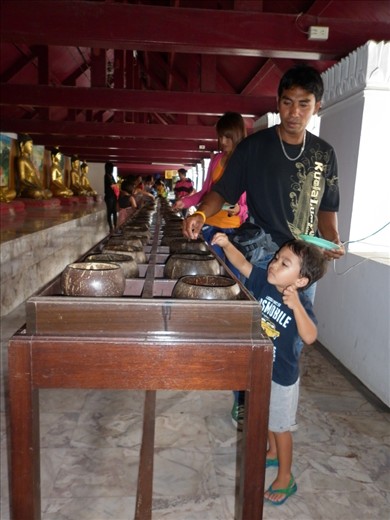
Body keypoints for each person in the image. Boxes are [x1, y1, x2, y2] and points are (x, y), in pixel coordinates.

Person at [182, 66, 345, 427]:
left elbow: (327, 209)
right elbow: (221, 193)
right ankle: (245, 401)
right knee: (253, 331)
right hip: (260, 257)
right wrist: (200, 215)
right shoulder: (253, 148)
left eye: (304, 104)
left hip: (302, 264)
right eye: (287, 103)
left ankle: (278, 415)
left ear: (317, 107)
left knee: (290, 340)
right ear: (278, 103)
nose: (294, 113)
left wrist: (331, 239)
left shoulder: (324, 154)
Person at [211, 233, 328, 506]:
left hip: (282, 378)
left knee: (280, 426)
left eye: (284, 263)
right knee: (265, 418)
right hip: (262, 368)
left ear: (300, 281)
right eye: (276, 258)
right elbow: (242, 265)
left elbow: (310, 336)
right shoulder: (264, 281)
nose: (274, 264)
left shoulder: (299, 303)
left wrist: (297, 305)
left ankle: (286, 477)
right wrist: (227, 245)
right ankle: (272, 452)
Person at [174, 112, 248, 278]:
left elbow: (250, 204)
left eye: (227, 137)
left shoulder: (246, 162)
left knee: (234, 276)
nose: (222, 142)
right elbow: (206, 193)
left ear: (237, 135)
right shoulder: (216, 160)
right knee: (211, 272)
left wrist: (240, 209)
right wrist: (184, 203)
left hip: (233, 230)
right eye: (220, 137)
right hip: (210, 226)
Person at [16, 134, 53, 200]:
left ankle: (41, 194)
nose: (31, 147)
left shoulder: (29, 161)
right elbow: (22, 179)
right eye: (30, 145)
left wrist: (40, 187)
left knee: (49, 193)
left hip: (34, 187)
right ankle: (41, 194)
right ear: (22, 145)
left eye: (32, 145)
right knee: (37, 193)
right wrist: (35, 186)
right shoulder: (21, 160)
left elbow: (35, 177)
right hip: (26, 188)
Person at [104, 161, 119, 233]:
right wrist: (115, 185)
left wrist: (115, 185)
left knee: (114, 212)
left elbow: (115, 184)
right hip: (109, 196)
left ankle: (115, 226)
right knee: (109, 212)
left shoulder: (111, 176)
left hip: (113, 196)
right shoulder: (106, 176)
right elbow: (113, 185)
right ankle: (111, 227)